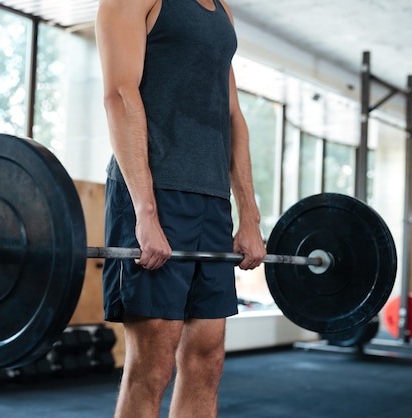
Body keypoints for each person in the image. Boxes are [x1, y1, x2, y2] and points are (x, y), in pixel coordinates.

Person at [96, 0, 267, 416]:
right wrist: (145, 211)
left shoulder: (221, 9)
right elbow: (119, 94)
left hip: (211, 201)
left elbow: (232, 116)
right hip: (155, 193)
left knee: (207, 361)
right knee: (152, 366)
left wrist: (249, 216)